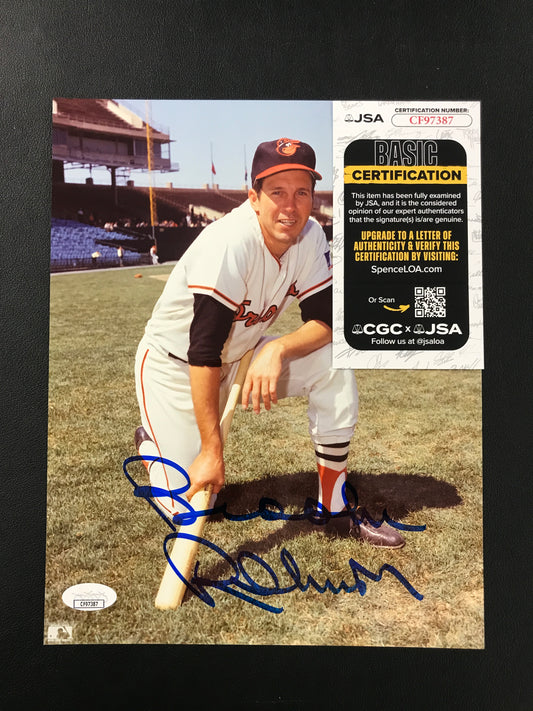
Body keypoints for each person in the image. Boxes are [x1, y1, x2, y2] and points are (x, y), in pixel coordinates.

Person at [134, 138, 404, 548]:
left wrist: (277, 348)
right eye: (277, 192)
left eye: (301, 193)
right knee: (192, 505)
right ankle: (153, 448)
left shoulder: (310, 237)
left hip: (243, 357)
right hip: (175, 369)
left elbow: (329, 322)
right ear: (254, 198)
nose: (290, 207)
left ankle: (334, 506)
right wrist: (212, 449)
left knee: (332, 361)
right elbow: (202, 352)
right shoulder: (229, 243)